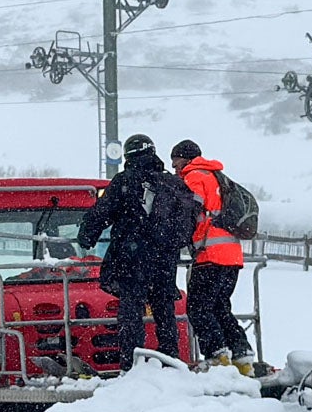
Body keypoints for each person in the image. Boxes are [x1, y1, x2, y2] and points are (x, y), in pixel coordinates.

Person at [77, 134, 188, 373]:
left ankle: (131, 364)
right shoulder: (172, 184)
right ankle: (172, 360)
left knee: (131, 312)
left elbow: (102, 213)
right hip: (164, 260)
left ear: (128, 156)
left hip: (132, 259)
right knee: (164, 309)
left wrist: (86, 237)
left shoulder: (124, 181)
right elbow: (187, 221)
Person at [170, 139, 255, 376]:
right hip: (231, 255)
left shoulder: (195, 176)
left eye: (175, 161)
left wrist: (176, 240)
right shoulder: (218, 177)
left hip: (211, 254)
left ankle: (217, 356)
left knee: (198, 308)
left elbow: (189, 213)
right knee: (220, 307)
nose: (174, 167)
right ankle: (242, 356)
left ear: (185, 158)